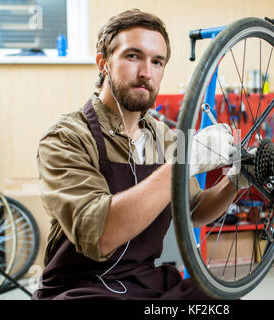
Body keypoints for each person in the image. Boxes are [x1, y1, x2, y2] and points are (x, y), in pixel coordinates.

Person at [32, 9, 252, 300]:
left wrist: (234, 181)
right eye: (133, 56)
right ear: (104, 64)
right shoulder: (67, 138)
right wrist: (183, 163)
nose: (146, 72)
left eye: (157, 61)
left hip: (146, 281)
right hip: (81, 287)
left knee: (218, 299)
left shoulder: (166, 137)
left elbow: (195, 210)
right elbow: (100, 236)